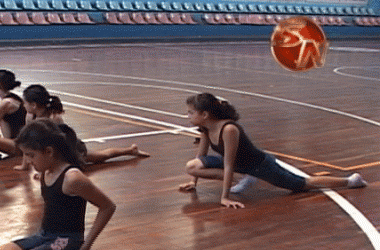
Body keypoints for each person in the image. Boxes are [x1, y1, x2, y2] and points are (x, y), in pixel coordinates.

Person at [0, 120, 116, 250]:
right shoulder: (45, 172)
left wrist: (86, 247)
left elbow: (108, 207)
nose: (27, 161)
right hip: (43, 236)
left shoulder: (72, 178)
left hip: (66, 244)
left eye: (31, 155)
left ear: (49, 152)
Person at [178, 92, 367, 208]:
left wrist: (224, 197)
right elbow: (201, 156)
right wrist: (193, 181)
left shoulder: (229, 129)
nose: (187, 115)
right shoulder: (205, 128)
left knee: (301, 184)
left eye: (190, 112)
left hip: (259, 165)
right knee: (192, 166)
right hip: (240, 165)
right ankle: (245, 178)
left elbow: (228, 164)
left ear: (205, 114)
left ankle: (349, 181)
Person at [18, 84, 149, 168]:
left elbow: (64, 142)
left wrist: (72, 162)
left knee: (101, 157)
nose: (23, 106)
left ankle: (131, 150)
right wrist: (24, 166)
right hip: (52, 149)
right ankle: (131, 150)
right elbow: (27, 143)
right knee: (100, 156)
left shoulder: (54, 119)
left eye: (25, 103)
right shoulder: (30, 117)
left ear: (34, 105)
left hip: (71, 146)